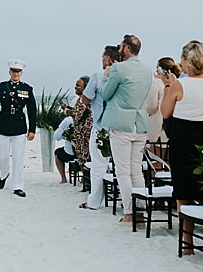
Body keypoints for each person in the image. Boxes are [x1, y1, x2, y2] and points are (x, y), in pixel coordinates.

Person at [159, 40, 203, 253]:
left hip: (183, 139)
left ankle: (187, 244)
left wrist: (167, 86)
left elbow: (165, 112)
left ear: (188, 61)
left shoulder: (180, 85)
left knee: (183, 192)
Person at [97, 35, 152, 222]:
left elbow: (105, 94)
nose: (119, 49)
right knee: (136, 169)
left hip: (122, 124)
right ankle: (141, 210)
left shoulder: (118, 69)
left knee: (122, 170)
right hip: (140, 123)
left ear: (127, 49)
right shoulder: (147, 70)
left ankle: (129, 212)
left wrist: (105, 77)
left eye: (121, 46)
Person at [79, 45, 120, 210]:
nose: (102, 61)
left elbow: (85, 99)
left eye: (103, 57)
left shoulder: (97, 77)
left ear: (109, 59)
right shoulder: (126, 77)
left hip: (102, 127)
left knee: (98, 165)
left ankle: (94, 202)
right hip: (122, 127)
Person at [0, 60, 37, 198]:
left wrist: (32, 129)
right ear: (9, 72)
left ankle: (18, 186)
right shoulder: (1, 87)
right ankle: (4, 174)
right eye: (13, 71)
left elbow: (32, 110)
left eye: (18, 72)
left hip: (19, 127)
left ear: (21, 73)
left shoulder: (27, 89)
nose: (16, 74)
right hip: (3, 126)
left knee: (18, 158)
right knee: (2, 156)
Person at [61, 76, 92, 191]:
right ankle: (86, 181)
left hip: (84, 134)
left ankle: (87, 183)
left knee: (84, 158)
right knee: (84, 158)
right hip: (82, 133)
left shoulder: (84, 99)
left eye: (78, 85)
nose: (76, 87)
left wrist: (65, 110)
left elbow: (76, 115)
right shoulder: (84, 99)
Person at [146, 57, 182, 143]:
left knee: (156, 155)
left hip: (158, 128)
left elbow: (151, 107)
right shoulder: (177, 83)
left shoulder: (156, 83)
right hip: (173, 127)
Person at [53, 115, 75, 184]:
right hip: (87, 153)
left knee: (57, 153)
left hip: (70, 153)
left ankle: (63, 178)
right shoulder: (89, 117)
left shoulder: (68, 120)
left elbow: (57, 136)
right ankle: (84, 178)